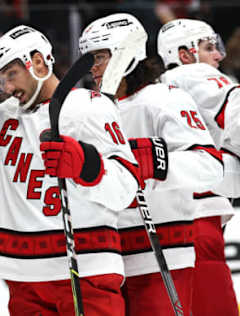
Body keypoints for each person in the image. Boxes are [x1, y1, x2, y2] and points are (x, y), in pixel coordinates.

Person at [0, 24, 141, 316]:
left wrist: (86, 164)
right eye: (0, 80)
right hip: (23, 278)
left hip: (84, 271)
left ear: (37, 62)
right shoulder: (4, 115)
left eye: (11, 74)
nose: (7, 88)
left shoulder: (88, 108)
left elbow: (126, 185)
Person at [79, 13, 224, 316]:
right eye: (89, 58)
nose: (92, 67)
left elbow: (210, 166)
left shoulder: (166, 98)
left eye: (100, 57)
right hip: (108, 259)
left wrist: (153, 160)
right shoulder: (93, 110)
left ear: (126, 53)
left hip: (163, 254)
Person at [157, 18, 239, 316]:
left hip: (167, 225)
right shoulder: (194, 75)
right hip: (197, 224)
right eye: (208, 47)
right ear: (184, 54)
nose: (218, 55)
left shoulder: (157, 91)